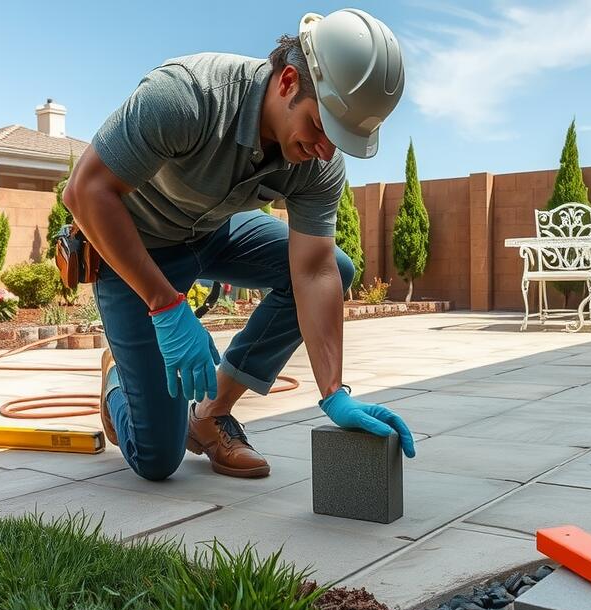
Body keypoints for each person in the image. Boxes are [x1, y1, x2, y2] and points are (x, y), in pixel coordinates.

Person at [63, 9, 415, 481]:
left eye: (341, 138)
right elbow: (84, 191)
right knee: (156, 461)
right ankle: (117, 382)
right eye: (321, 126)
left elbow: (313, 269)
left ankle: (208, 416)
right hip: (136, 248)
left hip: (214, 234)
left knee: (338, 265)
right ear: (288, 81)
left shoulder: (318, 159)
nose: (327, 150)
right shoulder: (187, 96)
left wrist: (334, 391)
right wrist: (166, 306)